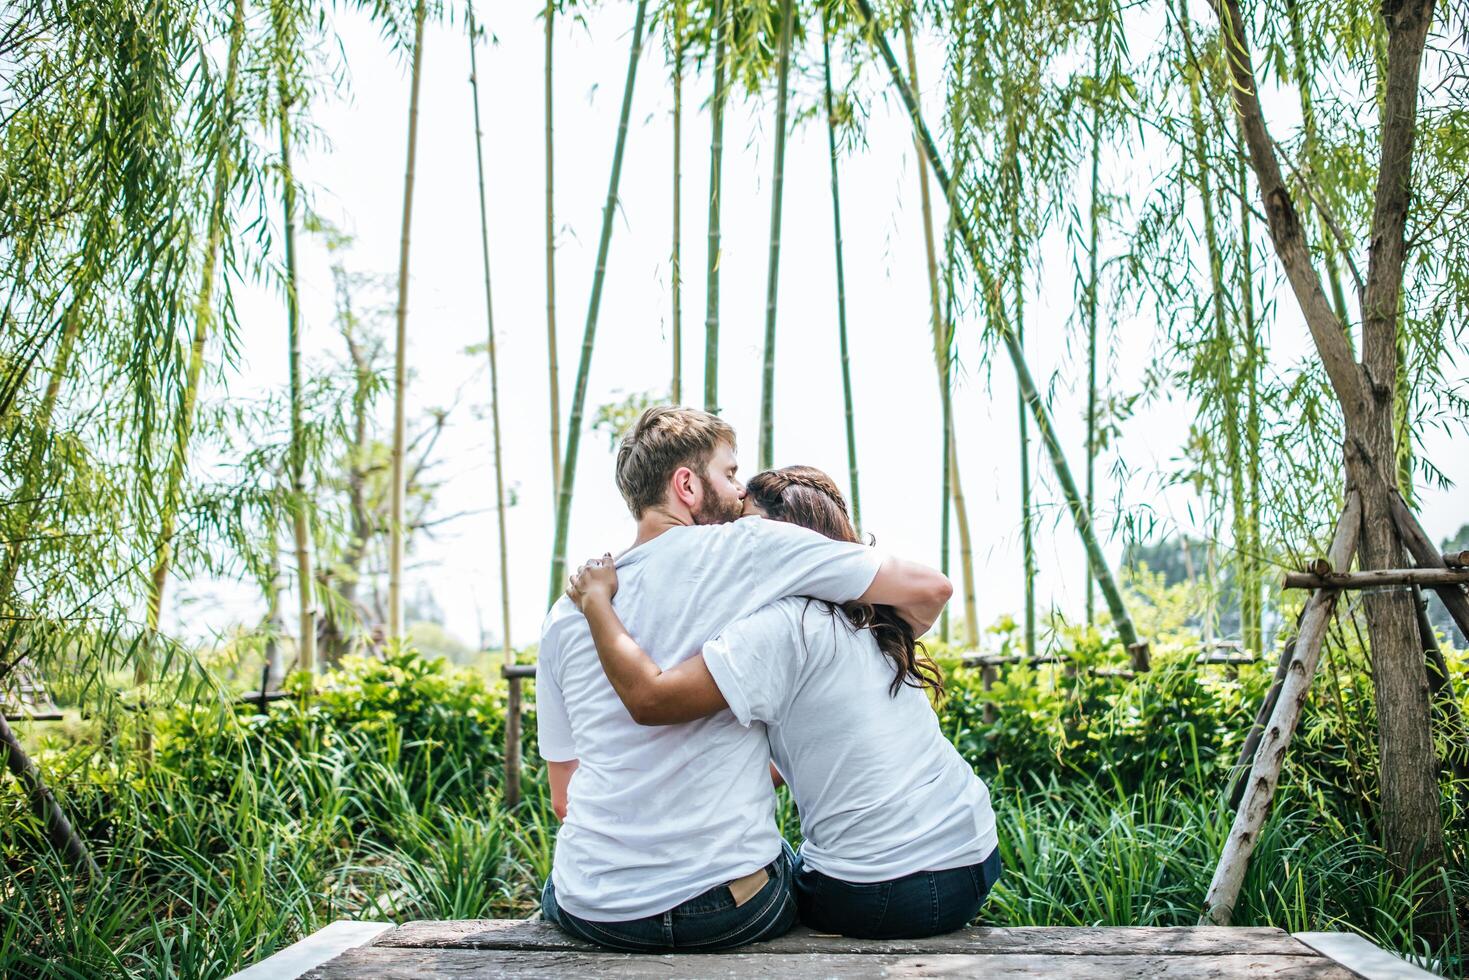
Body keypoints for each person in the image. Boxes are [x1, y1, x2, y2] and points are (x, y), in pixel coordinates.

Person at [537, 407, 953, 952]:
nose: (739, 495)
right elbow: (926, 586)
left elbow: (564, 800)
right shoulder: (751, 547)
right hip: (726, 910)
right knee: (796, 866)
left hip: (592, 907)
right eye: (729, 474)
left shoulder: (565, 616)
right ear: (686, 484)